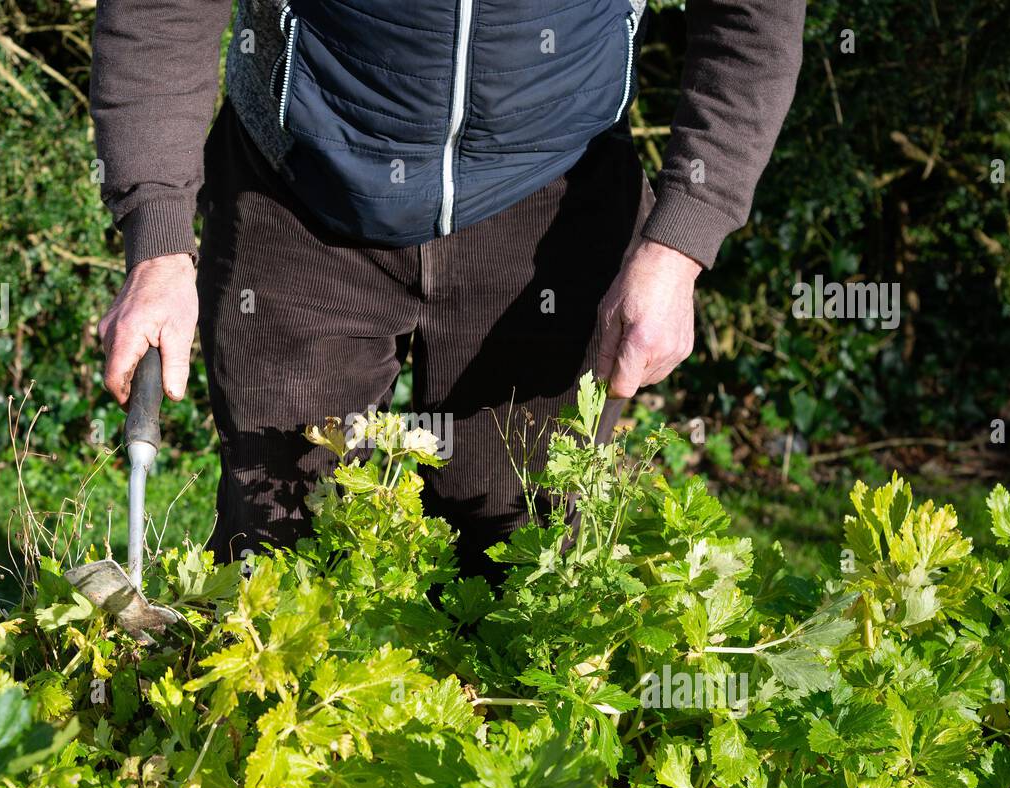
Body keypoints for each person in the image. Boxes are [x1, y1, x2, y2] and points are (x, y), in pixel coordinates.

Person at [90, 0, 805, 576]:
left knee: (527, 559)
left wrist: (680, 241)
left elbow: (754, 17)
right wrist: (158, 244)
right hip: (298, 182)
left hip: (556, 196)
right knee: (281, 543)